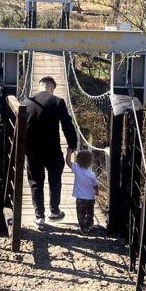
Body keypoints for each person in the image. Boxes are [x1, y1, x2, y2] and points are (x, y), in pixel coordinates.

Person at [24, 76, 77, 229]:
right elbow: (67, 124)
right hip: (52, 149)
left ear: (39, 86)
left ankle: (39, 217)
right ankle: (54, 211)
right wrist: (72, 144)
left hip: (32, 150)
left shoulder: (26, 102)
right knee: (55, 180)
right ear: (52, 88)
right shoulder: (57, 101)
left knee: (35, 182)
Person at [66, 149, 99, 234]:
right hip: (90, 198)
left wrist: (69, 152)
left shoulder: (76, 168)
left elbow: (68, 162)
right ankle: (90, 225)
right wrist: (97, 192)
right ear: (90, 161)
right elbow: (95, 185)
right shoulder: (92, 174)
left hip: (80, 198)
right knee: (90, 213)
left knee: (81, 214)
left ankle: (84, 229)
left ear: (77, 160)